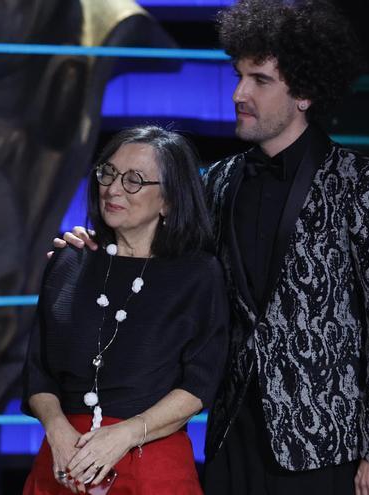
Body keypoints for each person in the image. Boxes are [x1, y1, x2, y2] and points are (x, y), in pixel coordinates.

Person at [57, 1, 369, 494]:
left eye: (259, 80)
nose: (238, 93)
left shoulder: (361, 183)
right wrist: (100, 249)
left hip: (323, 441)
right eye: (238, 76)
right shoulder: (221, 181)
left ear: (306, 92)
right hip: (230, 430)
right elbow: (165, 259)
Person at [24, 126, 229, 494]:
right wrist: (56, 429)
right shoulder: (68, 262)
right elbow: (38, 372)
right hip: (64, 460)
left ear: (169, 199)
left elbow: (200, 384)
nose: (113, 188)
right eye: (108, 172)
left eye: (134, 180)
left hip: (151, 463)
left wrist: (126, 434)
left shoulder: (198, 274)